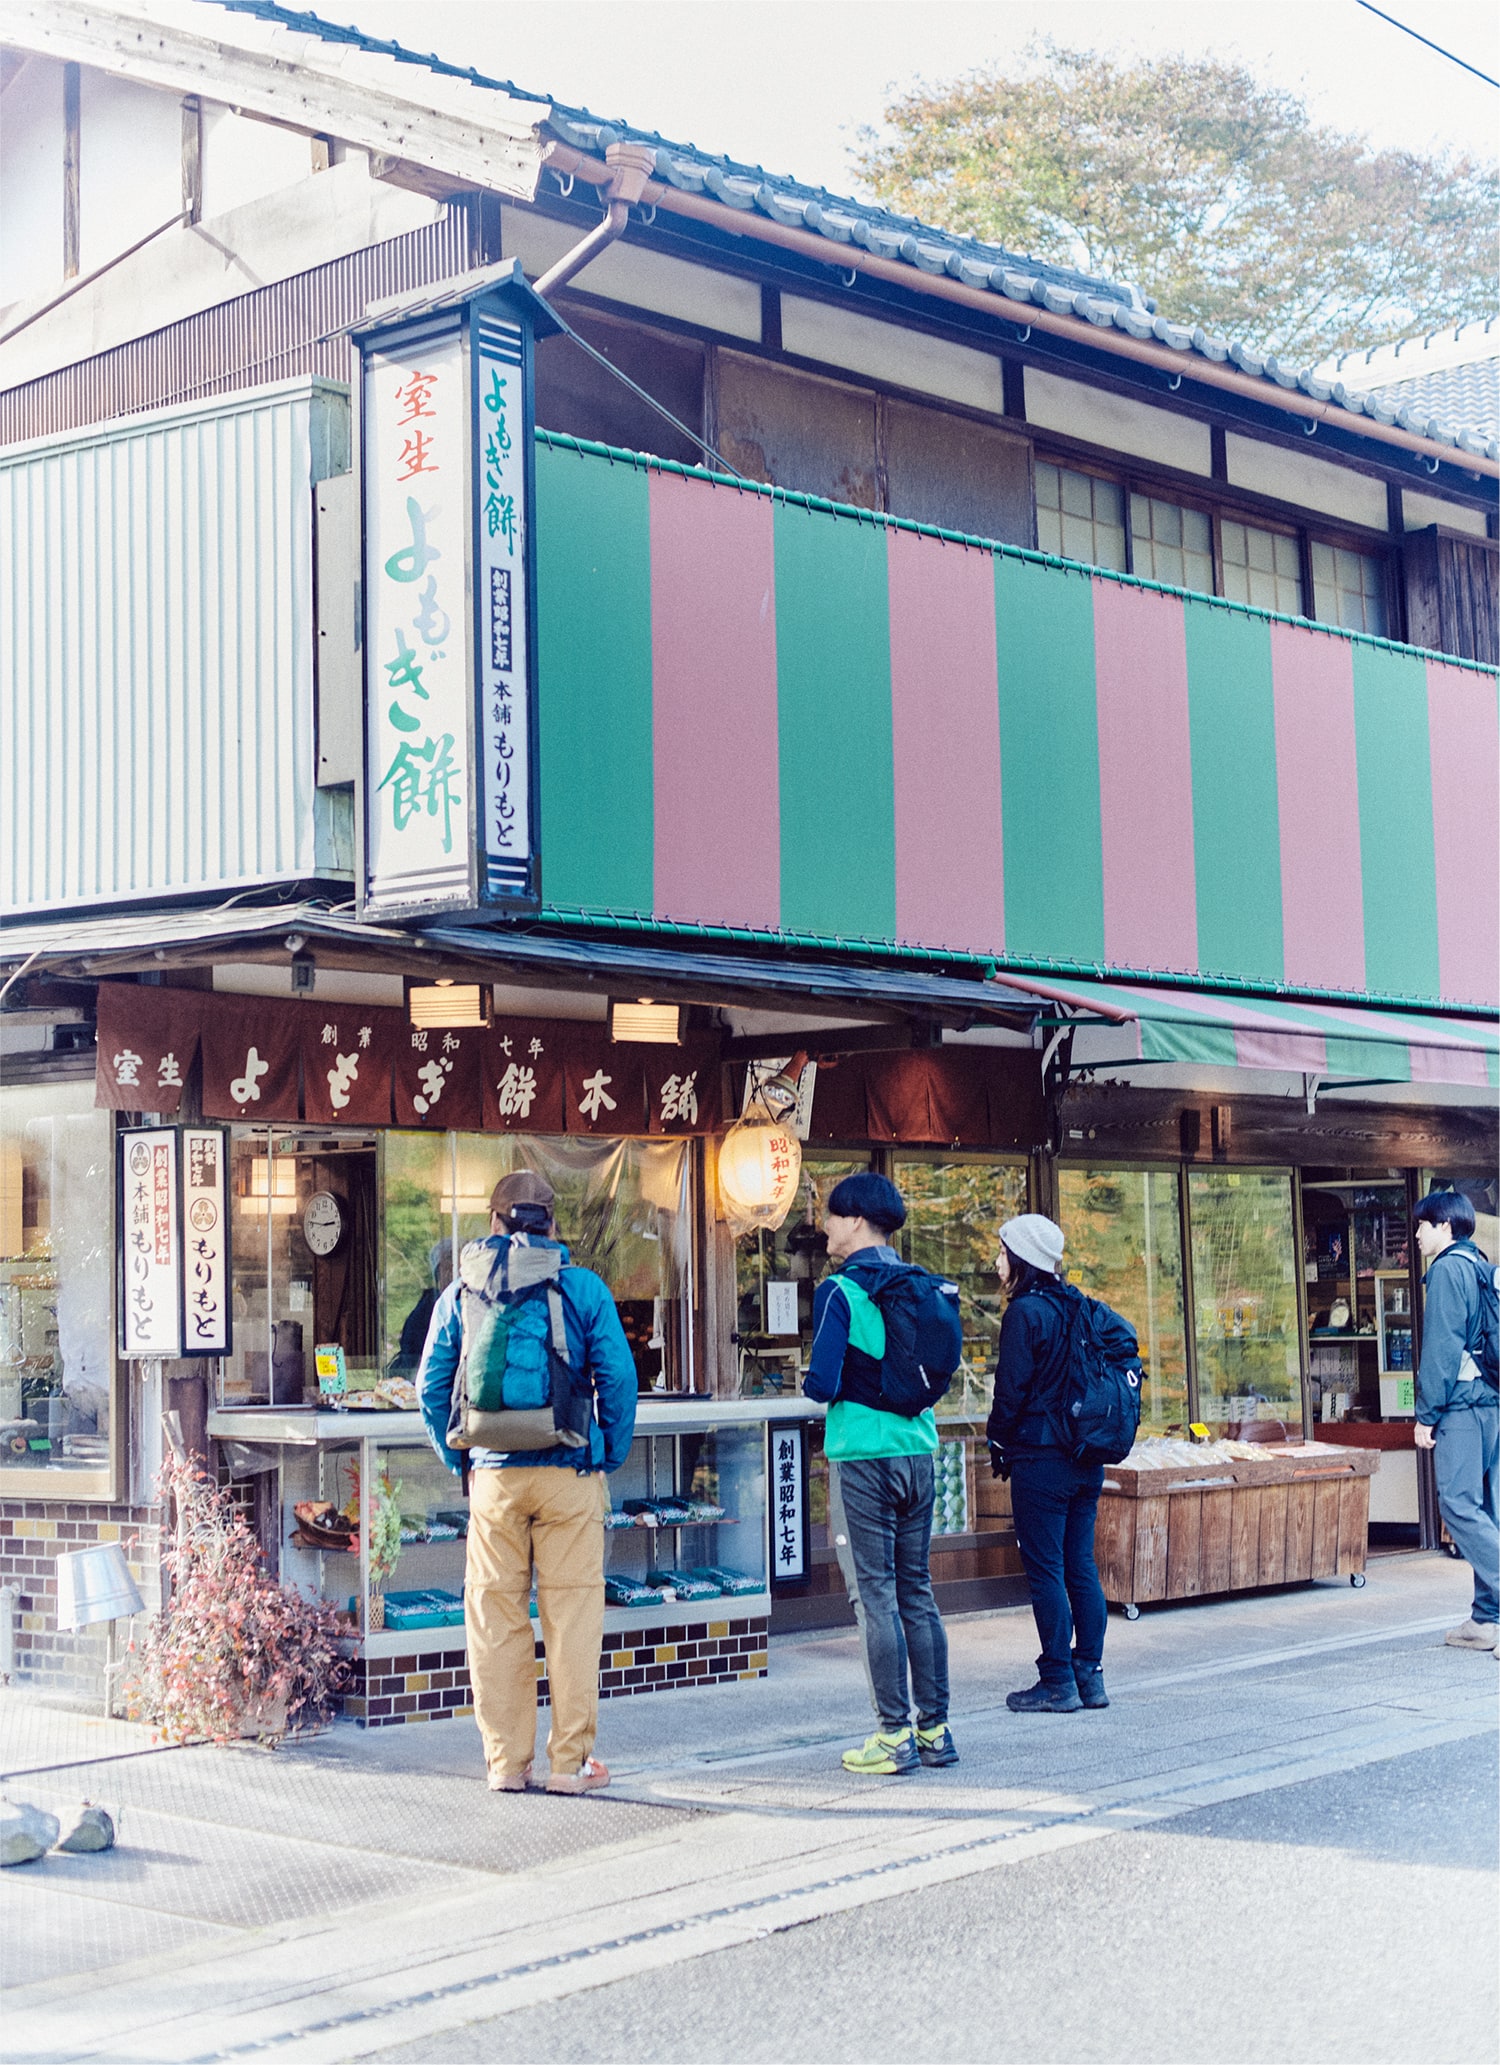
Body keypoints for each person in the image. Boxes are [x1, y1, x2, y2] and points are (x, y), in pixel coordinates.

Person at [418, 1170, 638, 1791]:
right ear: (553, 1224)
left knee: (495, 1619)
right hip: (570, 1470)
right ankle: (570, 1765)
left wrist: (461, 1460)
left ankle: (506, 1764)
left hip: (494, 1479)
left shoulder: (461, 1290)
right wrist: (607, 1453)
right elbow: (618, 1379)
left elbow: (431, 1387)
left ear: (493, 1221)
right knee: (572, 1618)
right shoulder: (582, 1287)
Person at [803, 1172, 961, 1776]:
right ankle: (935, 1731)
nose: (825, 1227)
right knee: (915, 1589)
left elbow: (821, 1384)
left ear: (855, 1221)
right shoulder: (918, 1284)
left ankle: (893, 1737)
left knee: (874, 1596)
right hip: (918, 1452)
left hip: (862, 1458)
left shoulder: (840, 1291)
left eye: (832, 1216)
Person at [987, 1213, 1108, 1714]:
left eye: (1002, 1252)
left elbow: (1010, 1391)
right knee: (1080, 1564)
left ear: (1022, 1258)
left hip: (1041, 1459)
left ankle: (1057, 1679)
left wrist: (998, 1441)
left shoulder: (1025, 1313)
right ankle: (1090, 1676)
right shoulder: (1079, 1305)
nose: (997, 1261)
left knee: (1045, 1570)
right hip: (1086, 1457)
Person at [1412, 1189, 1499, 1652]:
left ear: (1444, 1226)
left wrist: (1425, 1415)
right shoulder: (1482, 1264)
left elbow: (1441, 1349)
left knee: (1458, 1505)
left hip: (1462, 1408)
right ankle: (1486, 1619)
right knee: (1486, 1508)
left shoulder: (1447, 1270)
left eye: (1423, 1225)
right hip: (1491, 1404)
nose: (1417, 1234)